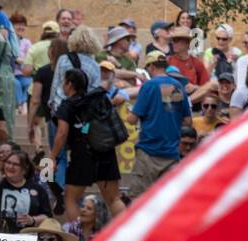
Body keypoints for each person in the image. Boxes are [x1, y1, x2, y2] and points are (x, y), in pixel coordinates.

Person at [51, 69, 124, 220]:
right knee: (114, 199)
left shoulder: (67, 105)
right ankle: (129, 236)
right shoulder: (98, 99)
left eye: (63, 82)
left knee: (70, 199)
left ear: (69, 84)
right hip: (106, 152)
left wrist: (52, 157)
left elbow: (62, 134)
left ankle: (79, 239)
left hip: (82, 155)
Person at [126, 51, 191, 194]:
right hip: (172, 153)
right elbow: (187, 121)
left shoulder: (149, 86)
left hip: (149, 153)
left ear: (151, 67)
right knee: (167, 202)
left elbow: (132, 119)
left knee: (140, 202)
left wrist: (128, 112)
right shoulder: (178, 86)